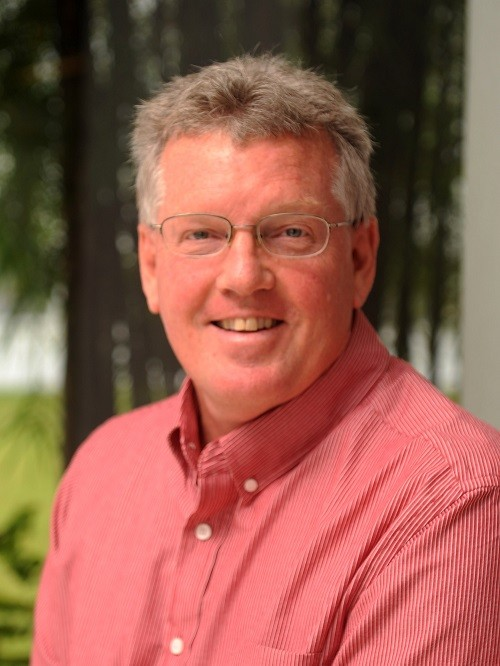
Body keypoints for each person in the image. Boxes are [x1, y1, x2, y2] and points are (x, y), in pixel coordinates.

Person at [32, 54, 500, 665]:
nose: (243, 276)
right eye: (201, 234)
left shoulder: (452, 499)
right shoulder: (99, 475)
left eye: (291, 232)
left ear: (360, 259)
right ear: (151, 265)